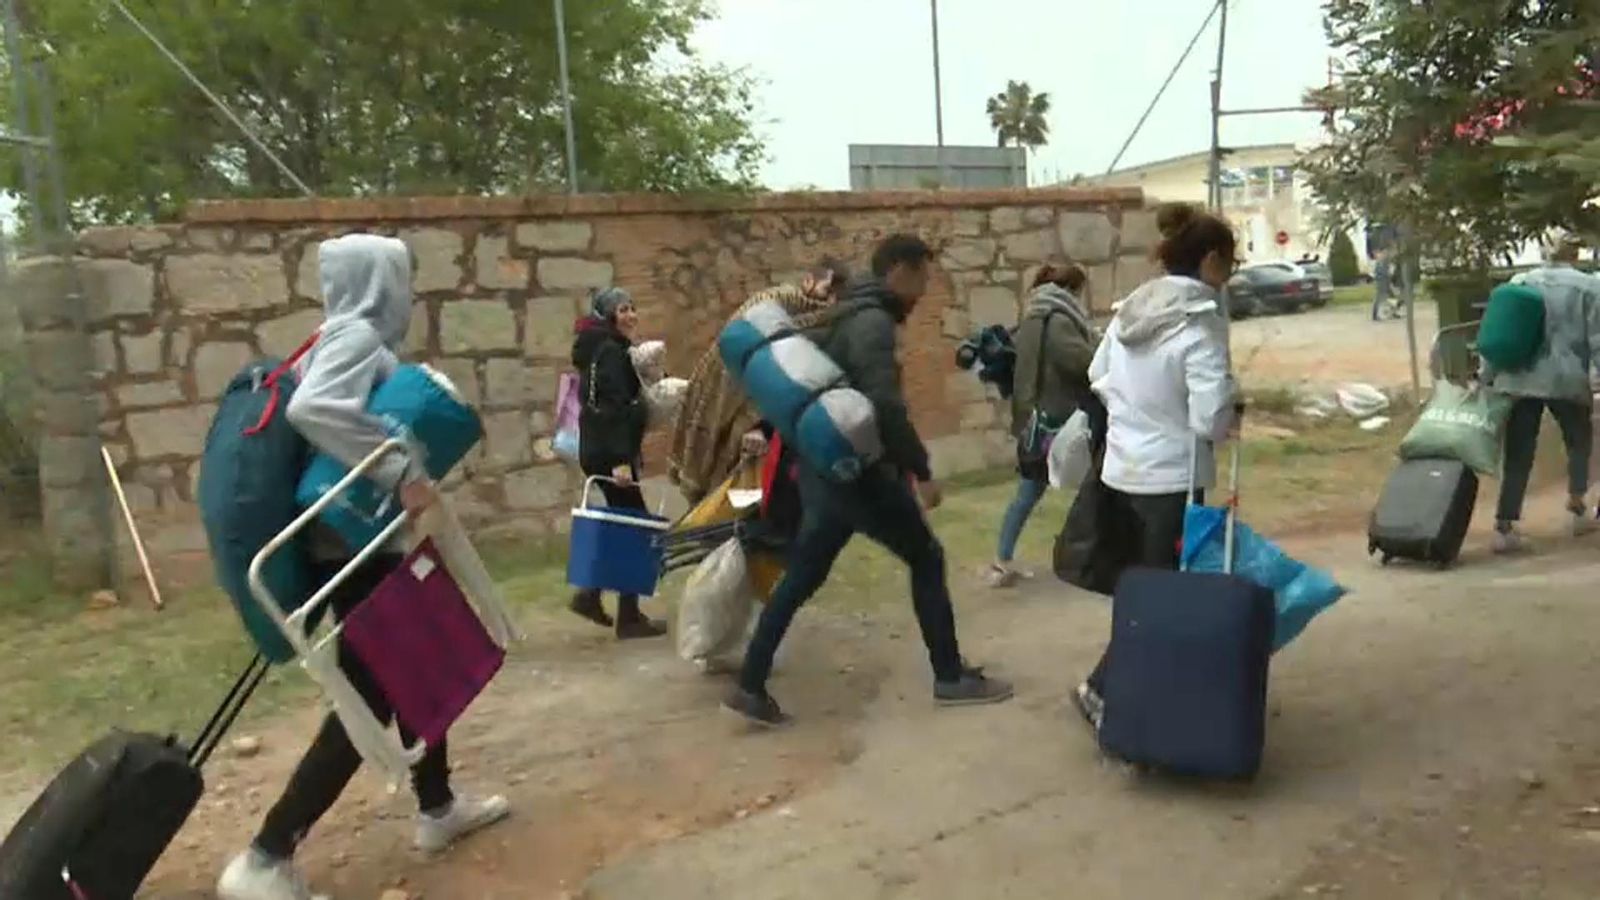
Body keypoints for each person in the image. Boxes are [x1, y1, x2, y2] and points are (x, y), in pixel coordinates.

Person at [218, 234, 508, 900]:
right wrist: (399, 467)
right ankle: (265, 858)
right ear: (382, 282)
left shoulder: (338, 334)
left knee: (420, 667)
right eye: (402, 276)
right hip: (353, 550)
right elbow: (313, 409)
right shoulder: (353, 336)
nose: (408, 289)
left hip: (358, 545)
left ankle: (437, 808)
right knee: (369, 693)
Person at [723, 233, 1014, 726]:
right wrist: (920, 471)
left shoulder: (840, 313)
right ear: (898, 270)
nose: (924, 290)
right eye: (922, 276)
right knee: (926, 556)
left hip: (827, 473)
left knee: (802, 576)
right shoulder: (872, 321)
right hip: (863, 476)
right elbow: (884, 403)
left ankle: (750, 683)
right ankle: (949, 675)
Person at [1068, 203, 1241, 730]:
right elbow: (1211, 419)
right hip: (1172, 479)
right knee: (1165, 595)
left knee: (1144, 587)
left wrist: (1135, 412)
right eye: (1230, 263)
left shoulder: (1131, 313)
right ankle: (1105, 690)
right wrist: (1229, 403)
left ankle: (1147, 685)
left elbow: (1098, 376)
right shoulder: (1199, 325)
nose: (1230, 275)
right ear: (1211, 259)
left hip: (1121, 470)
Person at [668, 259, 851, 505]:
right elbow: (736, 354)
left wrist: (760, 423)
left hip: (769, 421)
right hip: (721, 396)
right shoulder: (771, 303)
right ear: (808, 280)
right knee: (716, 485)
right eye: (827, 291)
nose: (830, 301)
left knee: (740, 495)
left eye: (836, 295)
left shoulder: (827, 325)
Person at [1486, 236, 1600, 553]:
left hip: (1520, 377)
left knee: (1519, 452)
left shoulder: (1521, 281)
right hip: (1566, 378)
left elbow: (1502, 330)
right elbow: (1597, 339)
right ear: (1575, 253)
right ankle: (1577, 508)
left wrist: (1488, 375)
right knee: (1579, 441)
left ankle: (1505, 525)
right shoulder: (1589, 287)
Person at [986, 263, 1097, 588]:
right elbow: (1080, 362)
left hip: (1033, 417)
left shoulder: (1034, 315)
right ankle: (1083, 554)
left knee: (1029, 490)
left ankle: (1002, 559)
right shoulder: (1060, 319)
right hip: (1061, 419)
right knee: (1094, 483)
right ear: (1071, 290)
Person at [569, 286, 669, 639]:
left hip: (600, 451)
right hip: (610, 454)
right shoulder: (610, 351)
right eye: (622, 309)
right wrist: (621, 461)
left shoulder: (603, 347)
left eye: (632, 307)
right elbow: (611, 409)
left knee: (624, 524)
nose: (630, 315)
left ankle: (593, 596)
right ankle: (625, 616)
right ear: (607, 315)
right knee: (636, 528)